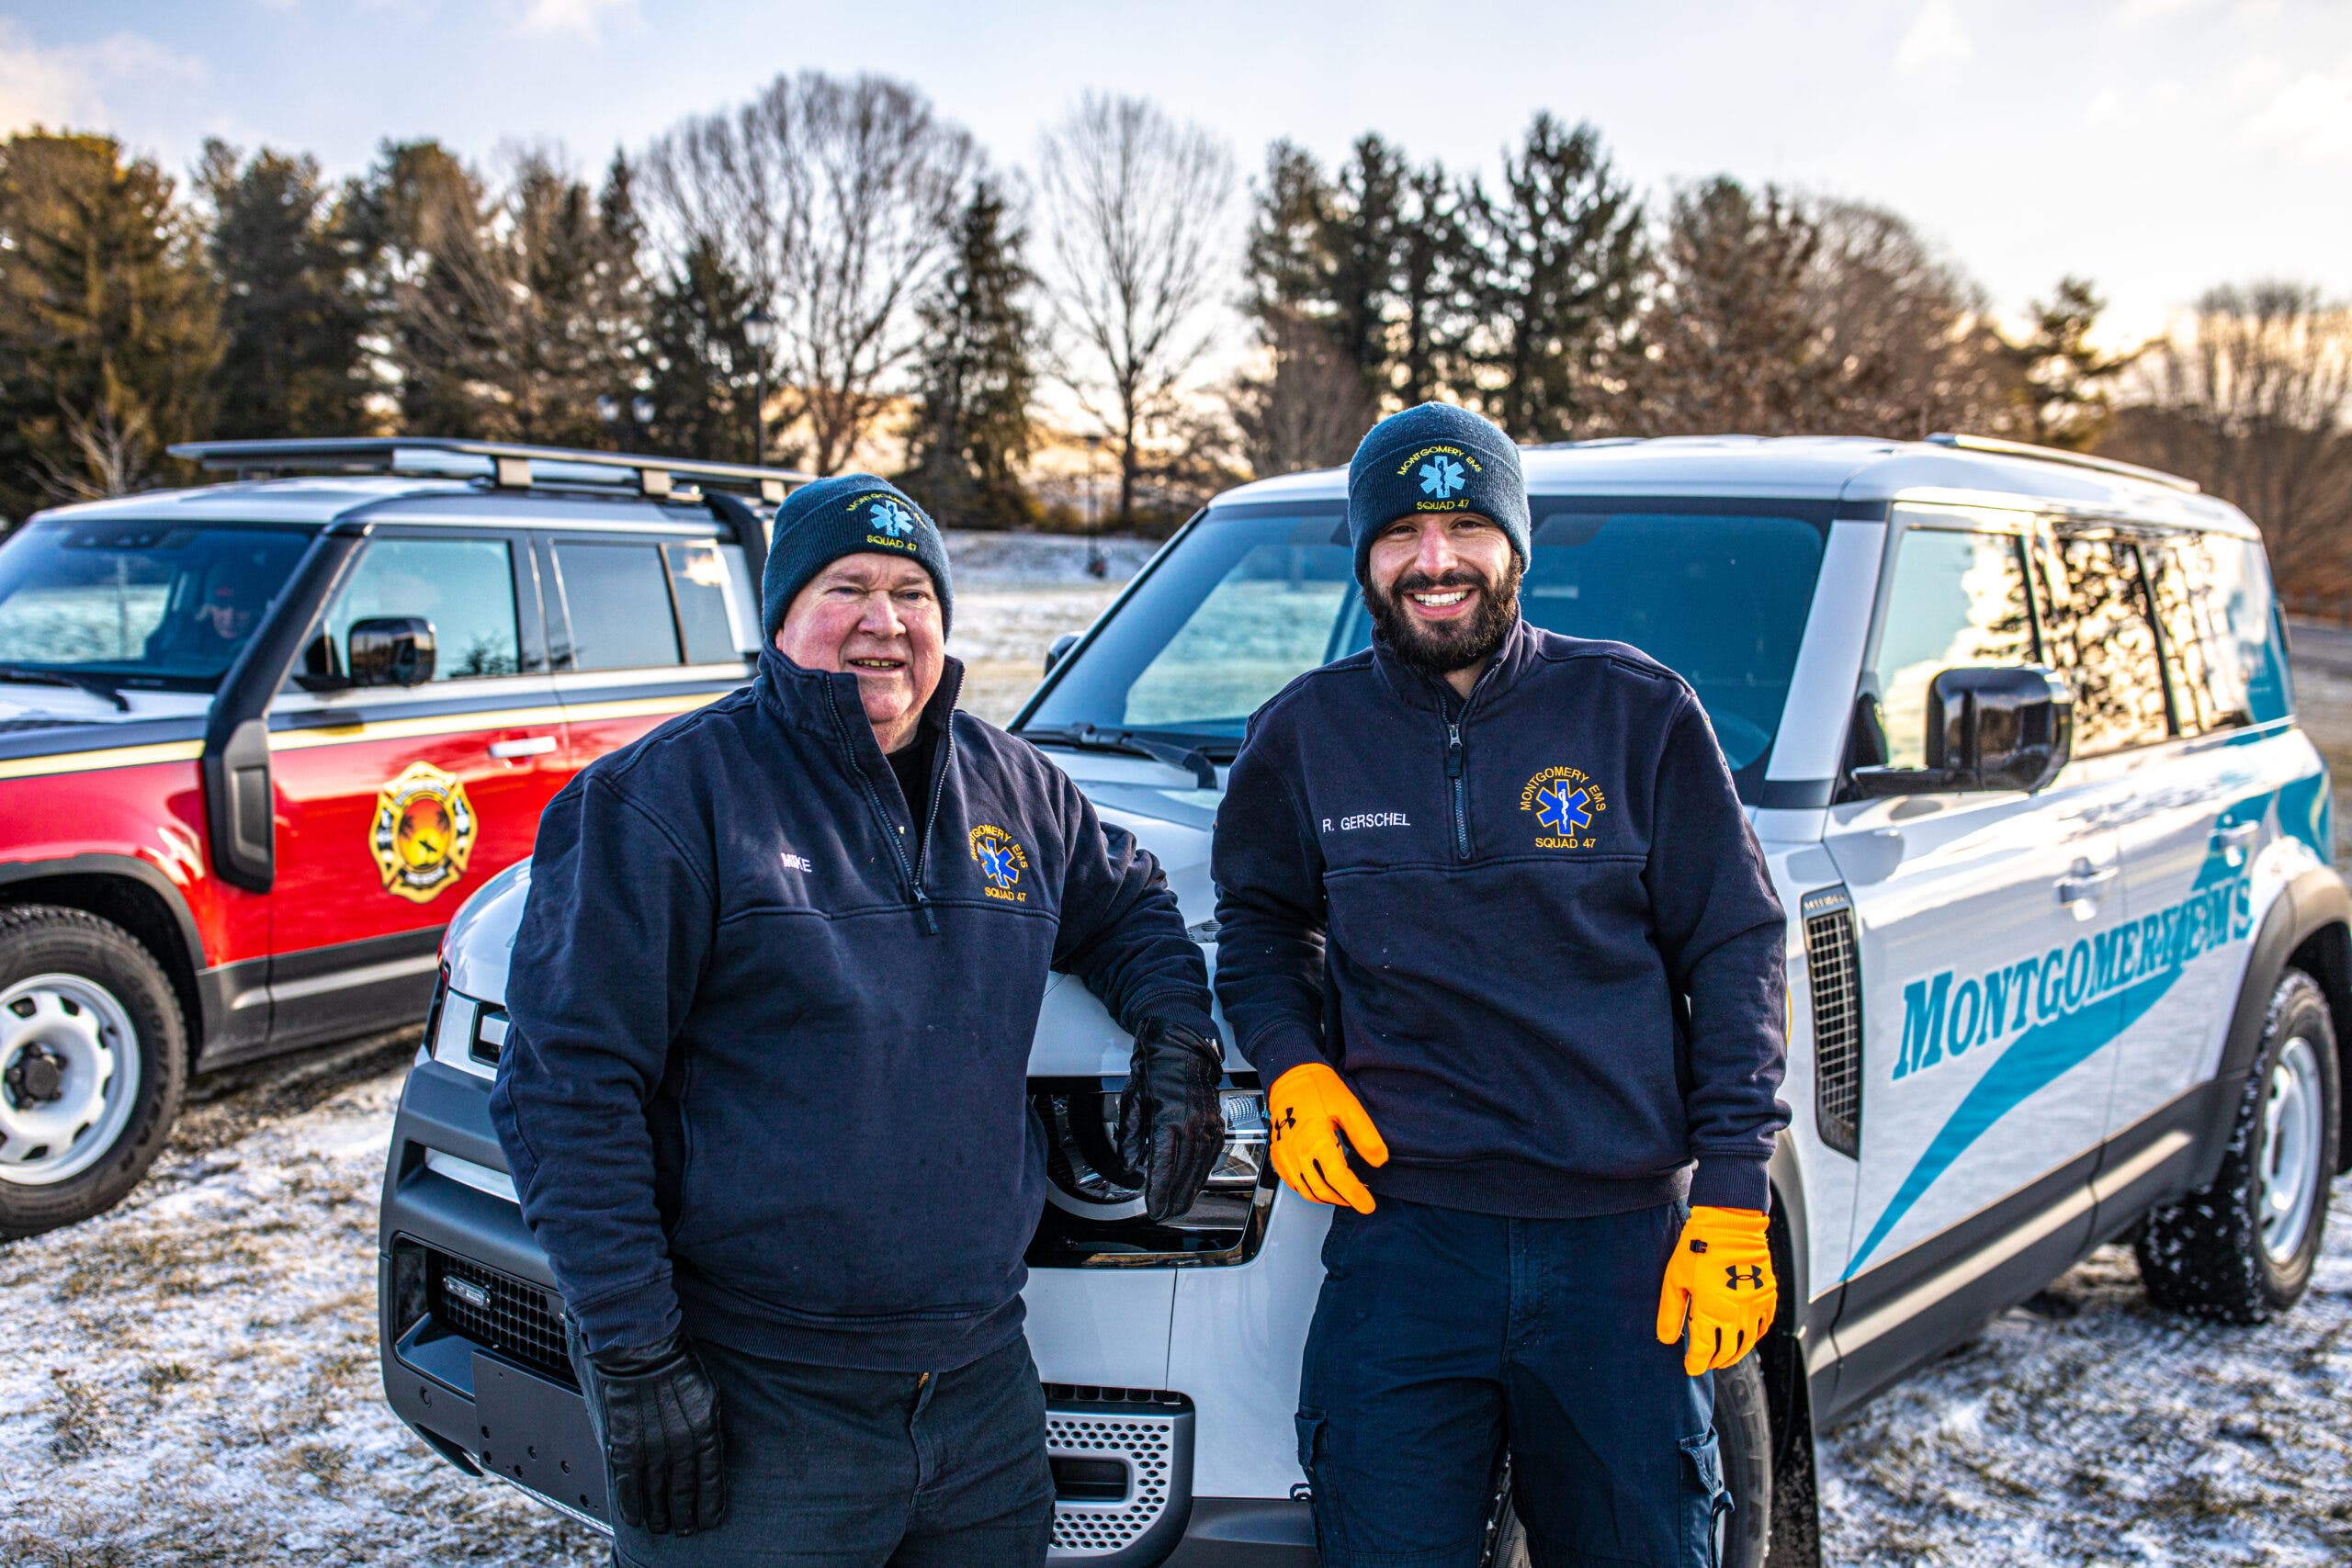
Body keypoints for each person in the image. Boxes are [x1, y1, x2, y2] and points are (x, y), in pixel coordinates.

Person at [490, 475, 1227, 1567]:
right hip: (759, 1394)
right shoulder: (661, 802)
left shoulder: (1015, 788)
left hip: (981, 1395)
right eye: (847, 588)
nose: (885, 622)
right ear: (783, 614)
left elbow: (1128, 908)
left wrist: (1177, 1037)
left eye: (912, 593)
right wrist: (635, 1353)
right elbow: (566, 1093)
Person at [1212, 403, 1790, 1568]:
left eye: (1467, 527)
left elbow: (1736, 947)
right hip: (1401, 1253)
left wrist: (1734, 1190)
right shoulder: (1307, 735)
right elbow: (1261, 924)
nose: (1435, 561)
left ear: (1516, 545)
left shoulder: (1637, 714)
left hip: (1618, 1255)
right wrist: (1292, 1062)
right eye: (1401, 533)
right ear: (1365, 557)